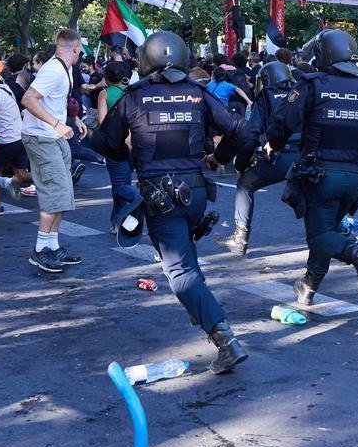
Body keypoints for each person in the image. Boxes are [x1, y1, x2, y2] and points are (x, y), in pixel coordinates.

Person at [91, 30, 251, 375]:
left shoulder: (136, 96)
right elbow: (240, 130)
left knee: (180, 272)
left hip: (159, 194)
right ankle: (201, 310)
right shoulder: (198, 92)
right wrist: (216, 157)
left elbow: (104, 142)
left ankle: (225, 339)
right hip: (195, 192)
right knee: (187, 261)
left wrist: (126, 154)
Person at [267, 29, 358, 304]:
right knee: (327, 230)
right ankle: (308, 286)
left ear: (323, 54)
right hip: (355, 177)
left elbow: (282, 122)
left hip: (320, 175)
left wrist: (273, 143)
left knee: (320, 236)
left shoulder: (312, 83)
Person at [216, 61, 298, 255]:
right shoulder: (300, 92)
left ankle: (240, 238)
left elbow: (251, 135)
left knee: (245, 184)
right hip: (307, 157)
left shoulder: (266, 97)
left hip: (282, 155)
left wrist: (241, 164)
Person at [21, 29, 83, 273]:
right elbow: (28, 99)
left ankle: (53, 245)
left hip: (54, 136)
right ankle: (39, 250)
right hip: (42, 138)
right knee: (54, 193)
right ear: (76, 48)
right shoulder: (54, 69)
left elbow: (56, 100)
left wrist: (74, 119)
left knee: (63, 194)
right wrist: (56, 124)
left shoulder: (64, 68)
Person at [0, 61, 32, 216]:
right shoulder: (5, 88)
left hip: (6, 141)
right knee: (22, 175)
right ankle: (49, 176)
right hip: (19, 138)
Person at [95, 60, 134, 225]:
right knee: (126, 181)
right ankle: (125, 217)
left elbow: (102, 121)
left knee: (119, 185)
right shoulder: (133, 92)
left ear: (106, 77)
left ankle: (119, 222)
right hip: (135, 143)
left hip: (115, 144)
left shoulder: (105, 93)